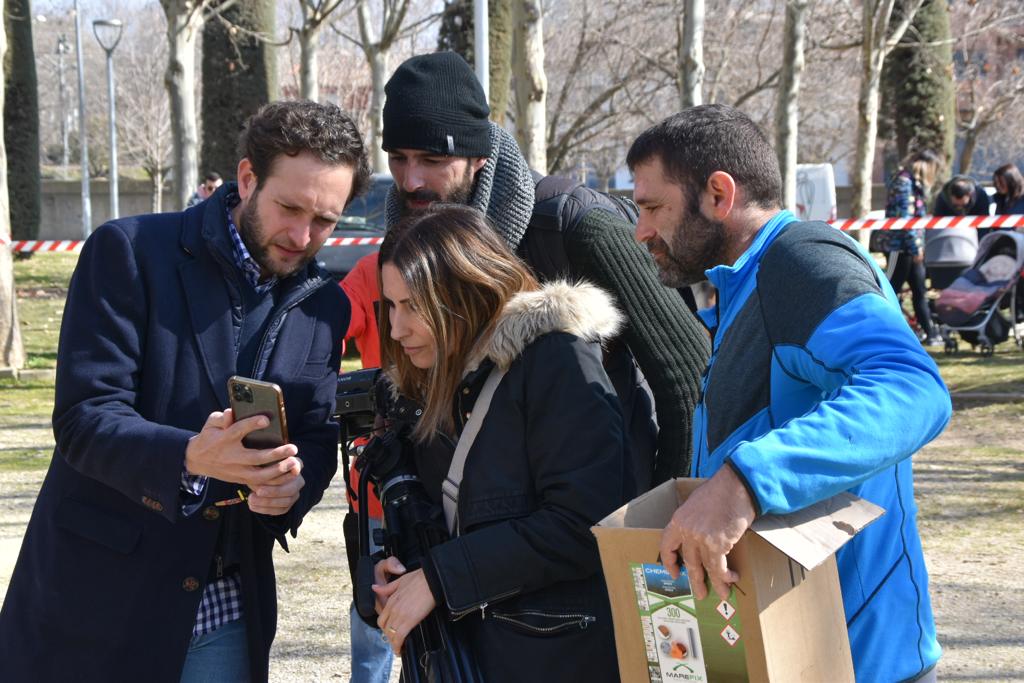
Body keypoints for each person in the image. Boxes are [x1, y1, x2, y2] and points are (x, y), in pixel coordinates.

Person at [0, 101, 371, 683]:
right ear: (247, 178)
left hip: (227, 606)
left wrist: (293, 489)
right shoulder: (129, 251)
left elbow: (319, 432)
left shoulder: (327, 304)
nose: (303, 236)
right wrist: (189, 457)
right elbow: (85, 416)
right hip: (97, 604)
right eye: (290, 208)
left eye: (325, 220)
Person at [627, 105, 951, 683]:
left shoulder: (801, 264)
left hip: (858, 659)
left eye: (653, 207)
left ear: (719, 195)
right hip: (788, 650)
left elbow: (912, 388)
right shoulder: (742, 282)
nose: (641, 230)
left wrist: (745, 483)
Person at [380, 51, 709, 492]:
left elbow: (688, 379)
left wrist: (663, 519)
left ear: (479, 156)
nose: (411, 180)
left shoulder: (576, 227)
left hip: (601, 520)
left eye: (432, 159)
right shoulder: (403, 239)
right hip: (483, 531)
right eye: (398, 158)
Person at [370, 204, 629, 682]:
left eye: (411, 306)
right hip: (465, 655)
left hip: (553, 658)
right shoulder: (437, 372)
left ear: (466, 293)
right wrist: (405, 567)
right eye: (389, 305)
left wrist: (439, 577)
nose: (395, 329)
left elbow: (584, 526)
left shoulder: (557, 360)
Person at [338, 250, 395, 682]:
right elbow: (328, 329)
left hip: (451, 477)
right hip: (380, 485)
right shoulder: (371, 269)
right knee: (374, 609)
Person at [884, 149, 943, 345]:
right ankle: (886, 331)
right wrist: (916, 246)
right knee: (888, 291)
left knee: (920, 291)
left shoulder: (914, 184)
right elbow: (904, 219)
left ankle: (930, 333)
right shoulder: (904, 182)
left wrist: (918, 246)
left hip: (912, 248)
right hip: (899, 248)